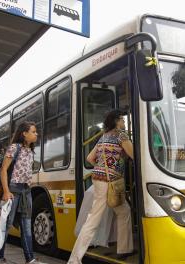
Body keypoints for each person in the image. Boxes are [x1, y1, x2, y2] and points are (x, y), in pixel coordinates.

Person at [68, 110, 135, 264]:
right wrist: (115, 166)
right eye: (123, 120)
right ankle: (74, 260)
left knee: (123, 211)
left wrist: (102, 167)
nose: (124, 123)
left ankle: (124, 249)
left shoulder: (103, 136)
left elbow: (90, 158)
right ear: (117, 121)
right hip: (112, 182)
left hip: (98, 179)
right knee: (94, 220)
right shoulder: (121, 135)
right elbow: (134, 155)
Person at [0, 121, 46, 264]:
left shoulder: (30, 151)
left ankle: (30, 259)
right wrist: (6, 191)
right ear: (24, 133)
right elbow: (3, 170)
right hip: (13, 189)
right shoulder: (14, 147)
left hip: (26, 191)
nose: (36, 134)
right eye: (33, 131)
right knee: (6, 224)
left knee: (26, 226)